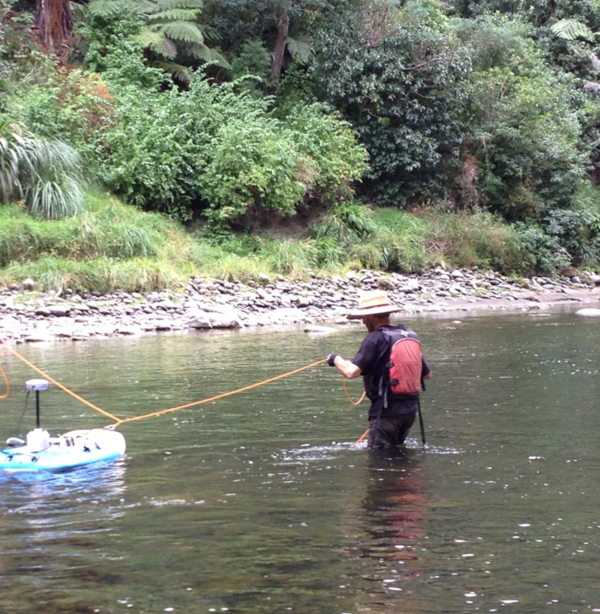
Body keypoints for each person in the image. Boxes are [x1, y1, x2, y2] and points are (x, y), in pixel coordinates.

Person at [327, 290, 431, 451]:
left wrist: (334, 359)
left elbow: (351, 372)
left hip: (386, 413)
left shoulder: (375, 338)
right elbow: (427, 374)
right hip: (410, 411)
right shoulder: (407, 335)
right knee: (397, 457)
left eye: (364, 317)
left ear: (372, 316)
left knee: (379, 463)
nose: (363, 321)